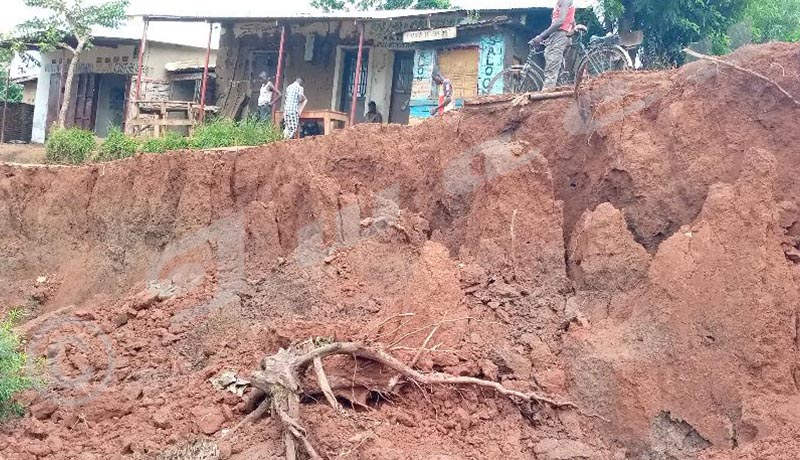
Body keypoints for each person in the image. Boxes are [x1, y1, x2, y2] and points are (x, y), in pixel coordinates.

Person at [529, 0, 576, 91]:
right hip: (560, 35)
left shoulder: (564, 1)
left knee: (551, 68)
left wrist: (542, 36)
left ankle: (547, 95)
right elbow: (572, 20)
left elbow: (560, 21)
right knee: (555, 66)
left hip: (560, 35)